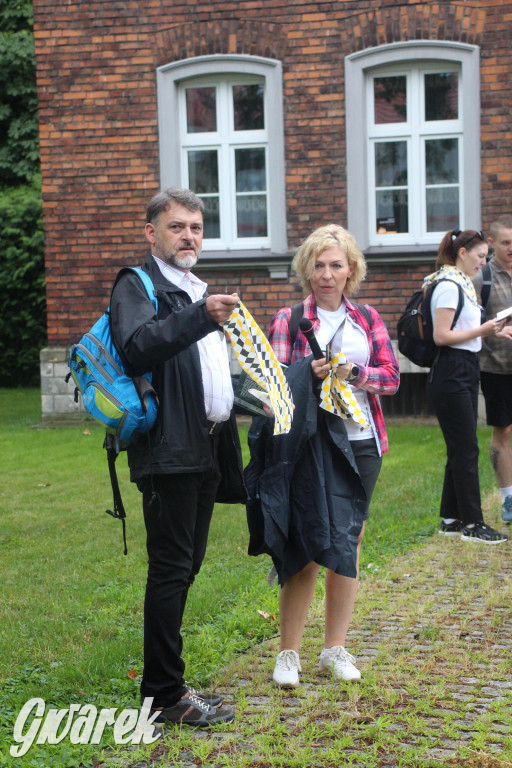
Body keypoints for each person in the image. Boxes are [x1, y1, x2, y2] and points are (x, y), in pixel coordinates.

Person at [109, 187, 244, 727]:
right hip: (169, 451)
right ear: (151, 233)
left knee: (185, 568)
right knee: (170, 570)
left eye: (196, 228)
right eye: (177, 226)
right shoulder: (137, 285)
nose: (189, 236)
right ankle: (162, 697)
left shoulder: (194, 289)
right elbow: (137, 346)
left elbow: (212, 375)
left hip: (205, 447)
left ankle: (170, 683)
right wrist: (202, 316)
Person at [245, 224, 399, 688]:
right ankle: (287, 654)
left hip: (361, 443)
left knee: (347, 545)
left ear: (351, 269)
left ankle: (334, 648)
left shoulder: (366, 317)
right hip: (310, 445)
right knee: (306, 546)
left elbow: (391, 378)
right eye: (318, 264)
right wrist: (304, 375)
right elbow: (269, 390)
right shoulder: (288, 319)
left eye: (336, 264)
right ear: (306, 268)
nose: (327, 274)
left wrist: (356, 372)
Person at [427, 228, 509, 544]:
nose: (483, 263)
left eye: (486, 257)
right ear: (462, 253)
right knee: (466, 449)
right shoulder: (449, 286)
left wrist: (491, 331)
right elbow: (441, 336)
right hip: (451, 370)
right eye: (479, 256)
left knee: (461, 446)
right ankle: (474, 524)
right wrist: (484, 331)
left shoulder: (460, 284)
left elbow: (463, 328)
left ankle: (450, 519)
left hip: (463, 368)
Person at [473, 216, 512, 524]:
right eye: (505, 243)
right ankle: (508, 498)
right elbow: (467, 324)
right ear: (494, 244)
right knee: (504, 430)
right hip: (496, 367)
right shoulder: (482, 278)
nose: (511, 248)